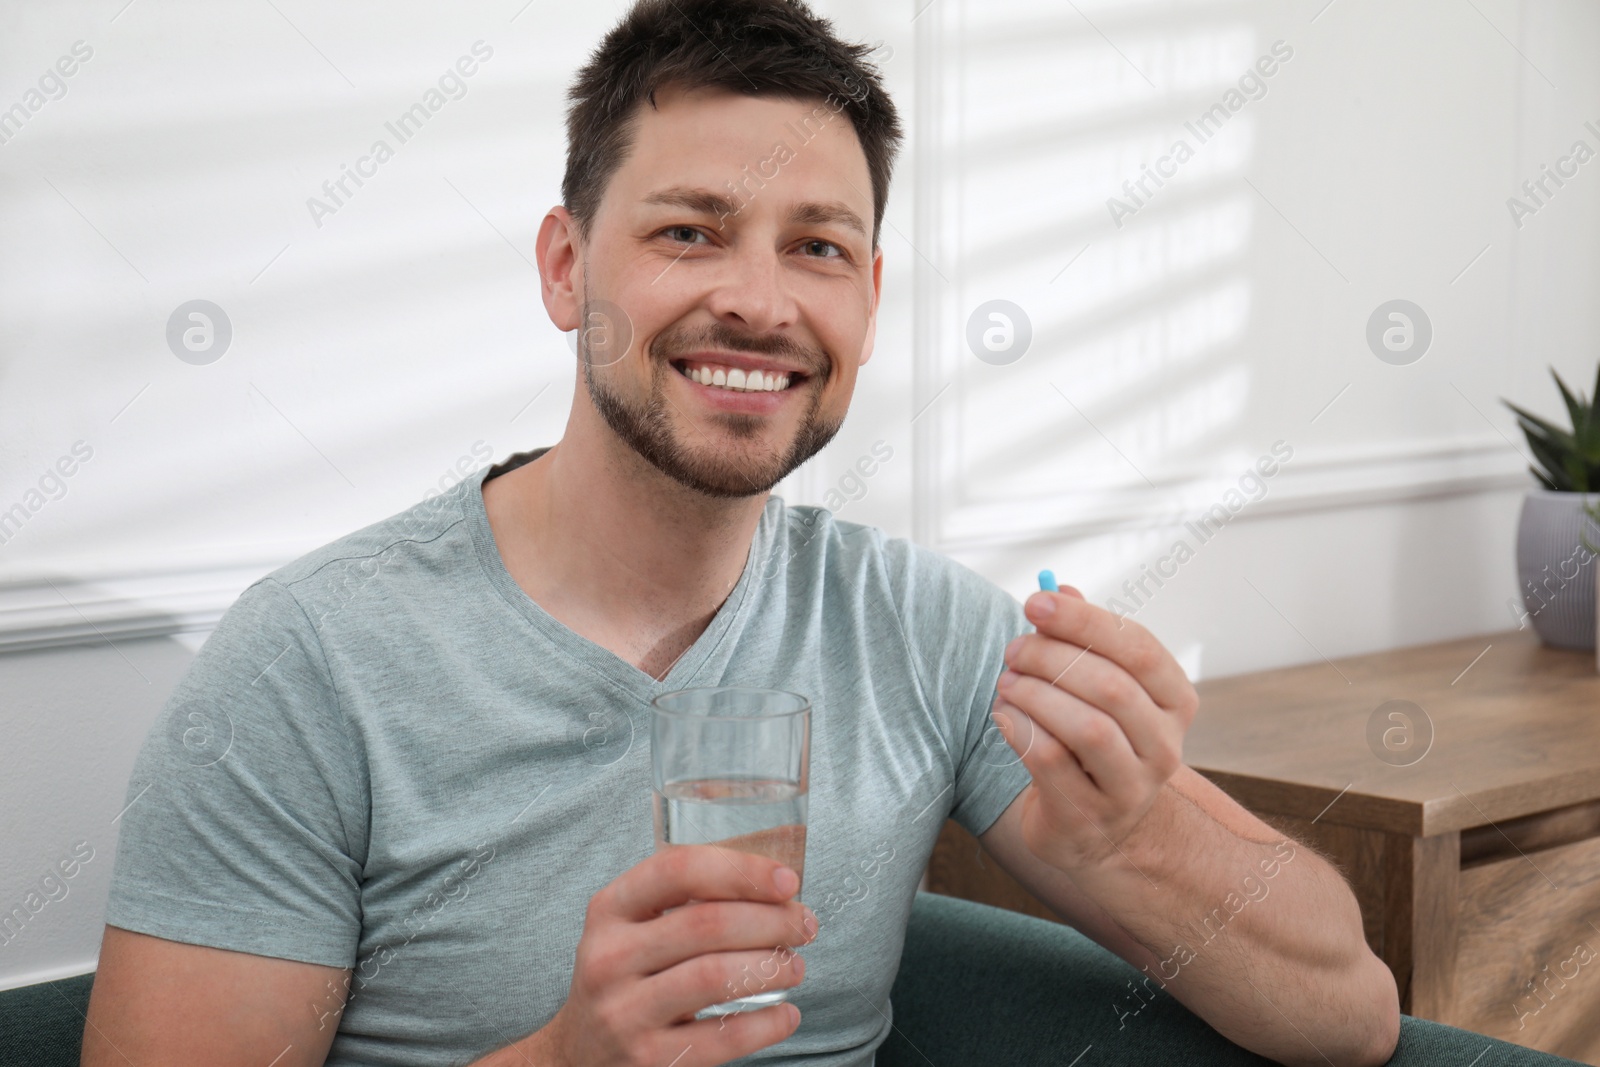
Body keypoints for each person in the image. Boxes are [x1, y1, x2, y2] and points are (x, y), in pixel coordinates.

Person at [82, 1, 1400, 1064]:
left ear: (871, 304)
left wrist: (1135, 846)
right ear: (565, 265)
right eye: (689, 231)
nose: (757, 302)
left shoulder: (923, 632)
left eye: (818, 248)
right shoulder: (311, 666)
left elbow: (1353, 1013)